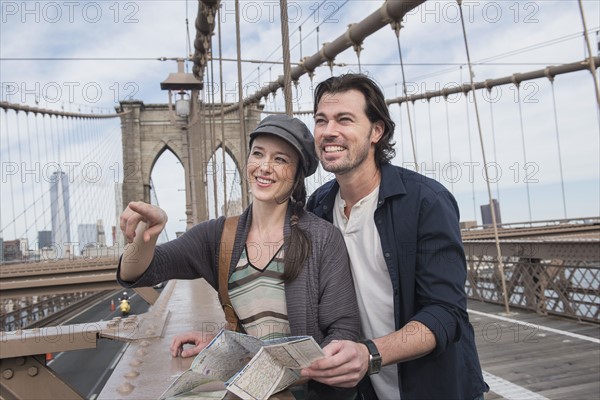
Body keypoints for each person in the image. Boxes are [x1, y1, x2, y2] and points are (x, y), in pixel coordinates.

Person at [117, 114, 360, 399]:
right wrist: (147, 234)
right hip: (253, 389)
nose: (264, 167)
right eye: (258, 154)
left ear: (297, 177)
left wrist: (309, 370)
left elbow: (344, 329)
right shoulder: (219, 236)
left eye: (280, 159)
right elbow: (139, 272)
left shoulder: (324, 239)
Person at [300, 73, 489, 400]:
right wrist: (230, 337)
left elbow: (446, 312)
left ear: (376, 131)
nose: (329, 131)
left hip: (436, 388)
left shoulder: (427, 202)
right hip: (363, 391)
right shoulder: (316, 208)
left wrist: (369, 354)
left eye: (344, 119)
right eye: (321, 120)